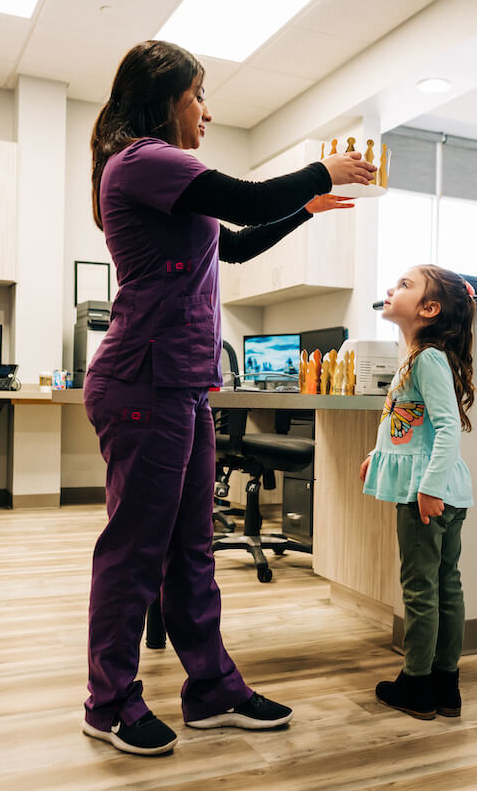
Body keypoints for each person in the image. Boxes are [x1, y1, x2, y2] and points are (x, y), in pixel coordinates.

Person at [82, 40, 377, 757]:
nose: (207, 113)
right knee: (135, 549)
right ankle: (108, 701)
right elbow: (244, 199)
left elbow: (234, 244)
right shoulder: (146, 159)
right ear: (165, 100)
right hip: (144, 379)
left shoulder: (164, 177)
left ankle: (212, 689)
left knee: (191, 549)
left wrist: (307, 206)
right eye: (199, 97)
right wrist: (321, 167)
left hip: (180, 383)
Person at [359, 265, 477, 720]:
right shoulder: (420, 356)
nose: (391, 288)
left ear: (429, 309)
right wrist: (378, 450)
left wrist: (427, 488)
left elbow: (447, 428)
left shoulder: (426, 358)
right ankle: (445, 683)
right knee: (446, 584)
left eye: (405, 285)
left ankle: (416, 683)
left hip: (426, 493)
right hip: (445, 490)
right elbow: (410, 423)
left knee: (421, 589)